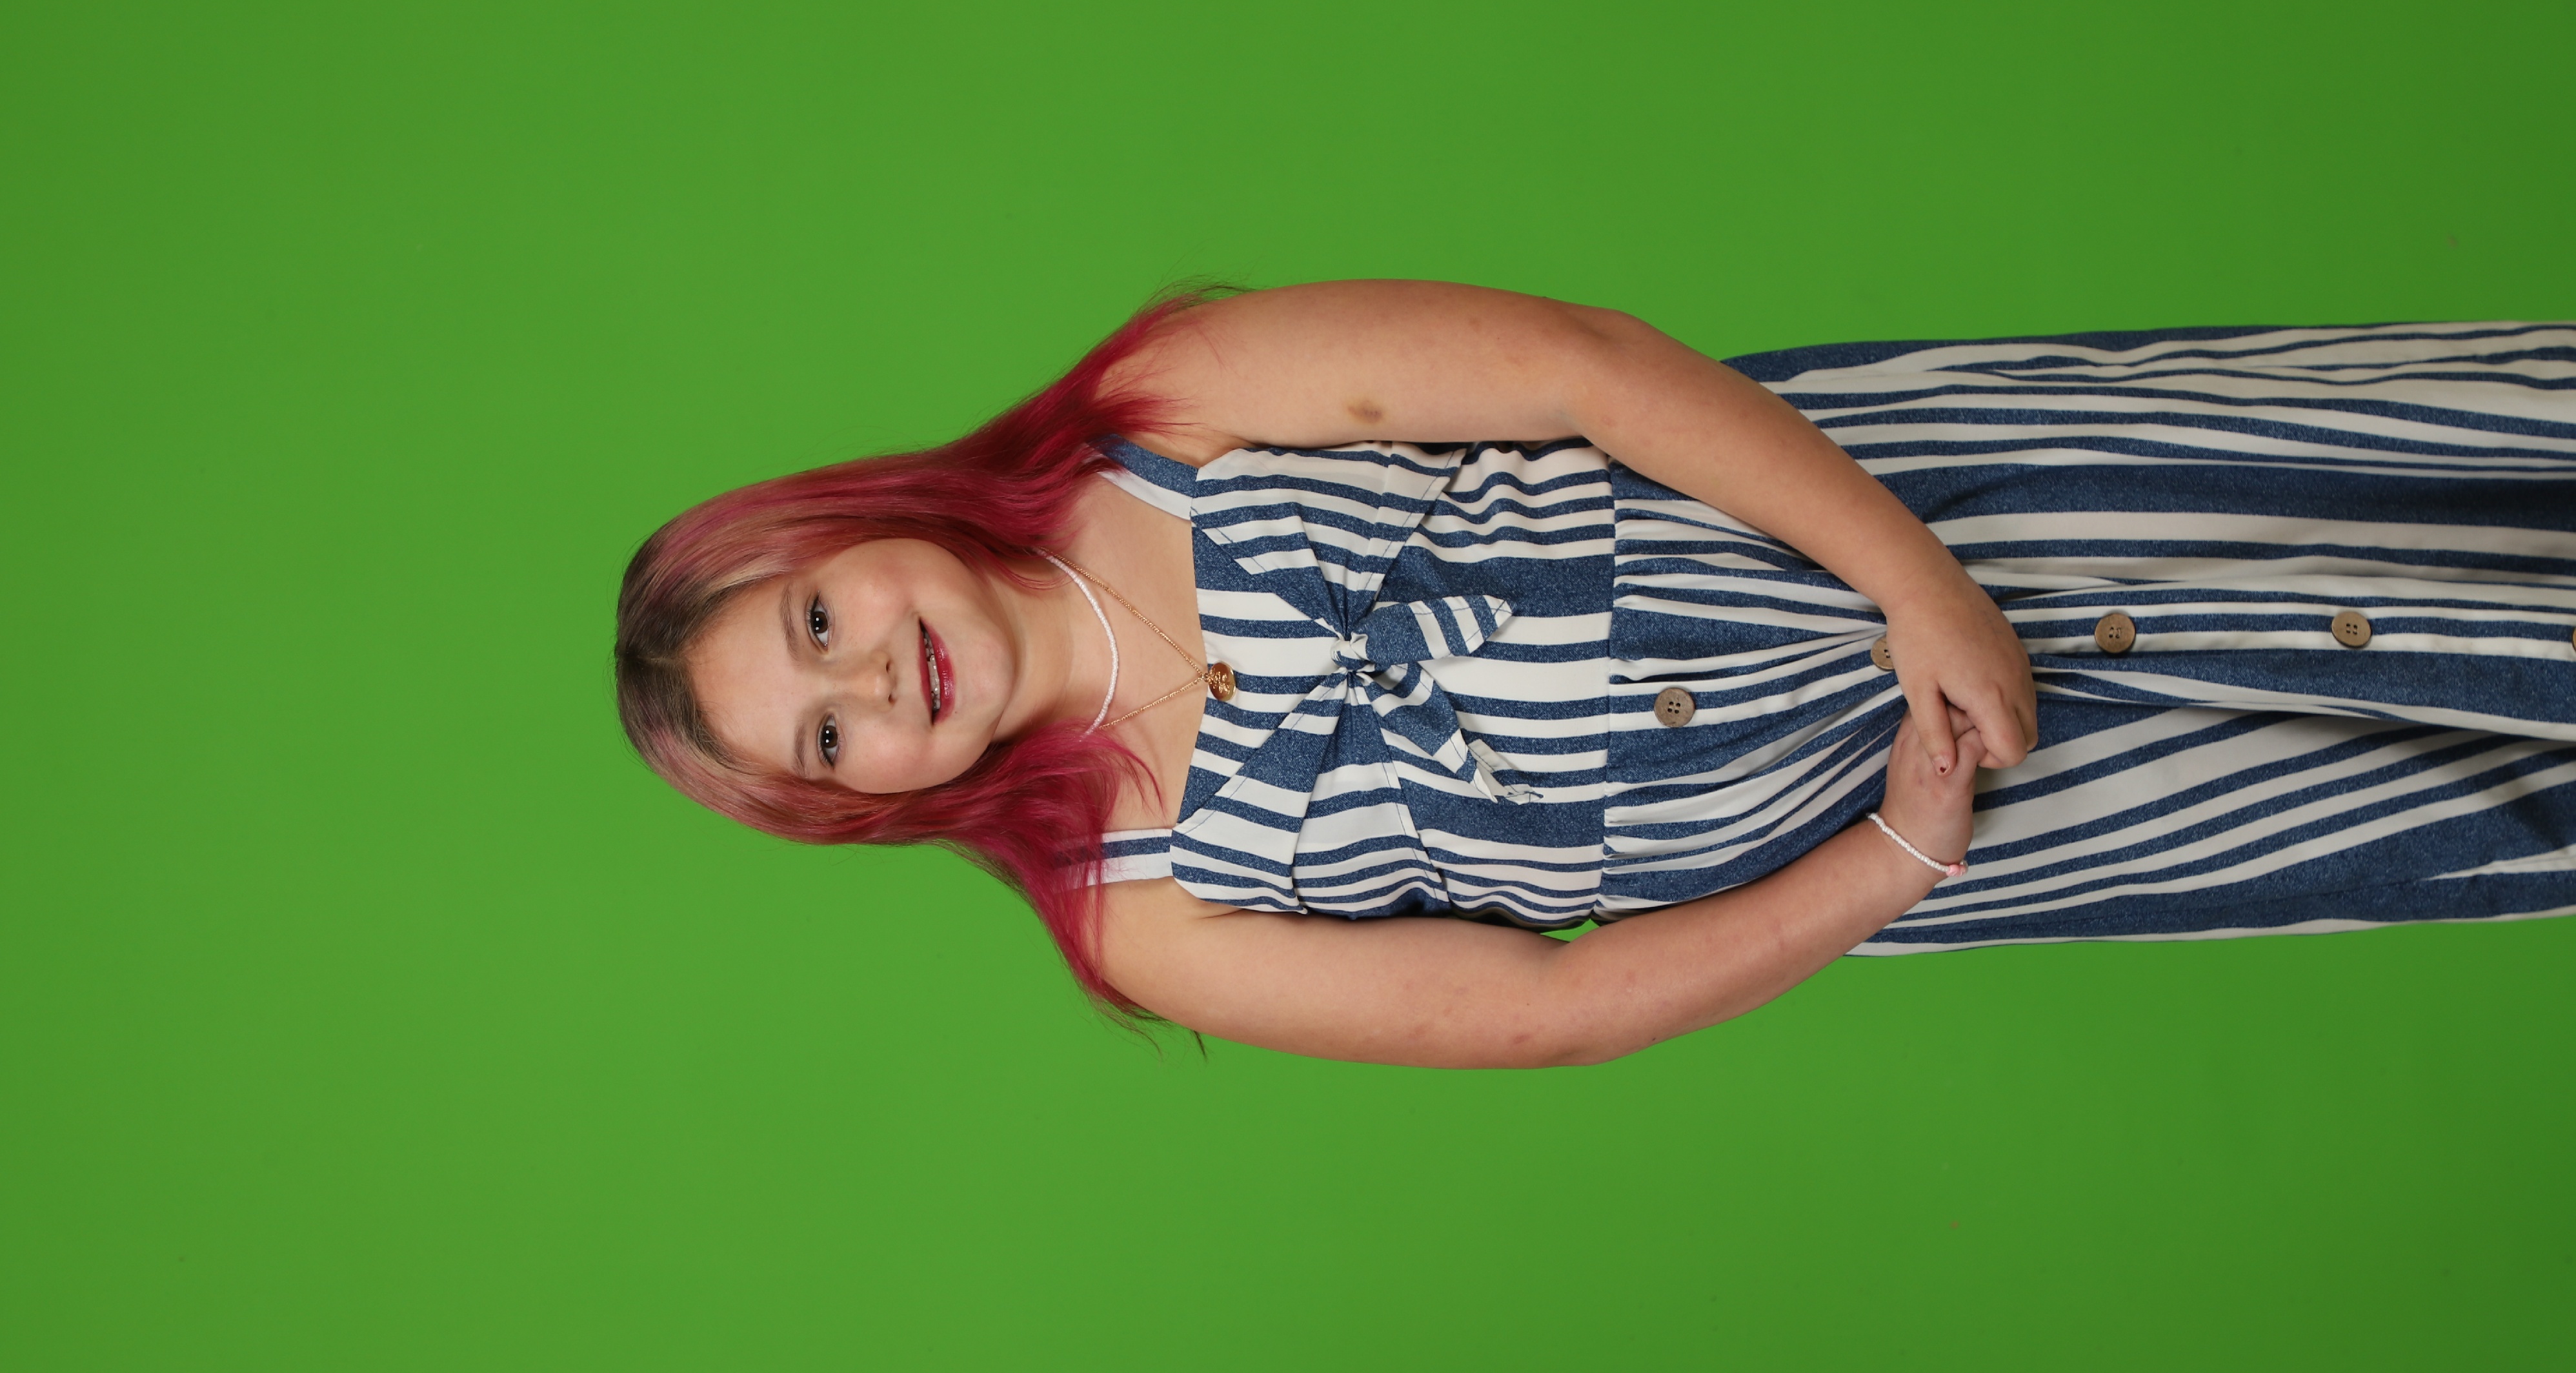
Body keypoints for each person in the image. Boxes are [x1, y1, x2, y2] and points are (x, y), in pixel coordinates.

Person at [615, 282, 2576, 1066]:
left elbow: (1582, 373)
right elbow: (1535, 1006)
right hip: (1960, 801)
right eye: (829, 739)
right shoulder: (1147, 920)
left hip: (1933, 503)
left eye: (816, 624)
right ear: (868, 806)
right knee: (2433, 791)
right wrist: (1895, 863)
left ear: (853, 523)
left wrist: (1911, 577)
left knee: (2401, 493)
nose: (876, 683)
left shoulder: (1172, 406)